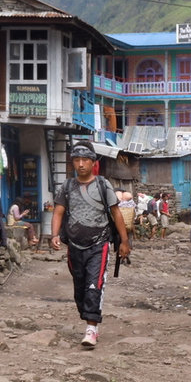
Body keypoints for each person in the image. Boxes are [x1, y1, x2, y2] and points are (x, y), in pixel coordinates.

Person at [50, 140, 130, 348]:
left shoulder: (103, 185)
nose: (81, 164)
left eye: (85, 159)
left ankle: (91, 329)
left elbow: (116, 213)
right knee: (80, 288)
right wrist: (54, 235)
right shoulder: (67, 187)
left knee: (94, 285)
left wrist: (124, 241)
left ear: (93, 162)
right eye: (77, 160)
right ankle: (87, 316)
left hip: (99, 244)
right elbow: (58, 212)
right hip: (75, 246)